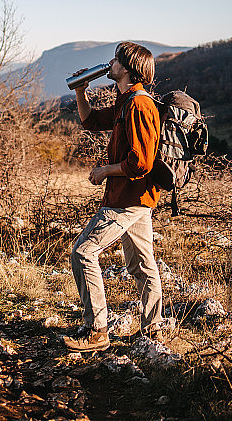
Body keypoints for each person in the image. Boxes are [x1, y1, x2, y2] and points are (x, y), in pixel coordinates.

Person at [63, 41, 164, 352]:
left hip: (127, 200)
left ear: (128, 69)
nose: (110, 63)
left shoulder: (139, 106)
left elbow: (141, 163)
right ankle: (154, 330)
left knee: (84, 252)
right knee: (143, 265)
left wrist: (106, 170)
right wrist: (81, 90)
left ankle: (96, 330)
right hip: (137, 199)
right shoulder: (126, 102)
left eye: (116, 60)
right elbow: (91, 121)